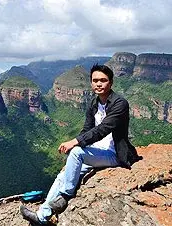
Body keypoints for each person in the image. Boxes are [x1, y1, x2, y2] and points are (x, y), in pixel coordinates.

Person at [20, 64, 140, 225]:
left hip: (114, 154)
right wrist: (77, 141)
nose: (99, 84)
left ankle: (65, 196)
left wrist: (74, 142)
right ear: (91, 83)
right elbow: (87, 129)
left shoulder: (120, 103)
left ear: (110, 83)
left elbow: (103, 129)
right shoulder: (93, 104)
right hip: (96, 153)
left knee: (76, 152)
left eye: (103, 80)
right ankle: (42, 216)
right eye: (95, 80)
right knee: (62, 176)